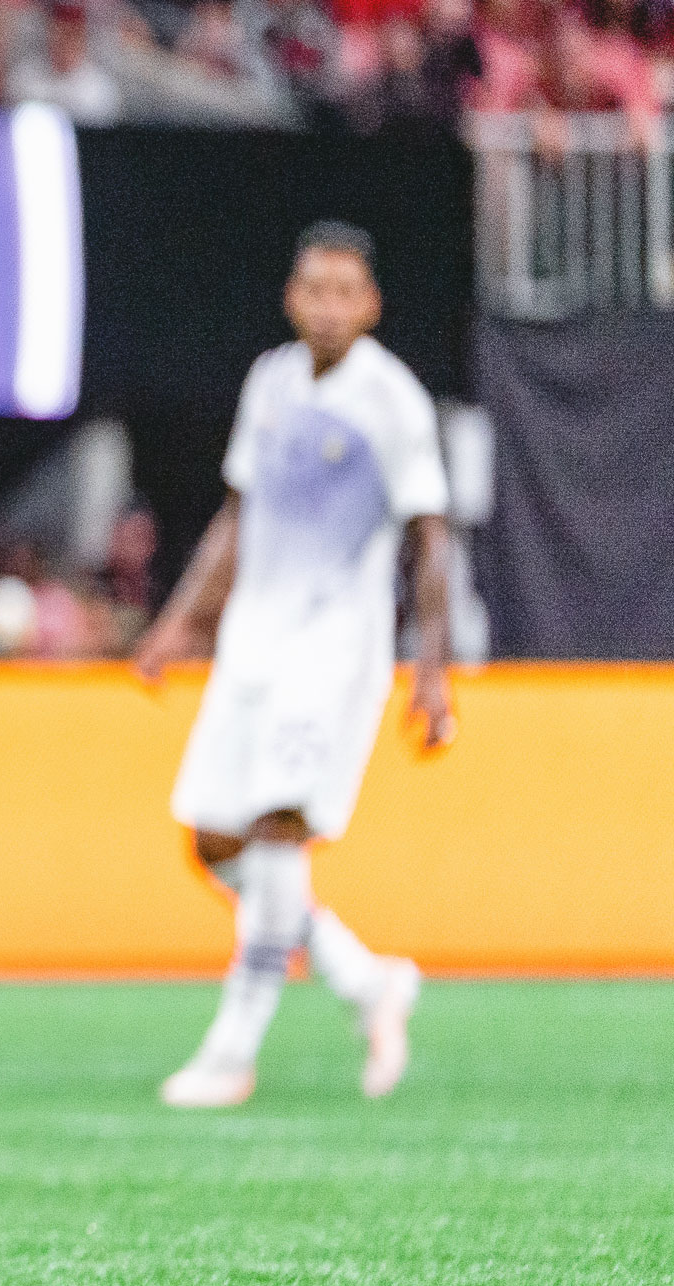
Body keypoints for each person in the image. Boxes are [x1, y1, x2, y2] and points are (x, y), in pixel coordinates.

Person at [133, 221, 453, 1111]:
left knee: (279, 829)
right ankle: (366, 981)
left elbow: (431, 535)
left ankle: (233, 1050)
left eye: (345, 291)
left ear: (372, 303)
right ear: (291, 295)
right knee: (215, 843)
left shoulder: (391, 400)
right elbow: (238, 514)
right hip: (252, 640)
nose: (328, 306)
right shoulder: (270, 380)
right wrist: (176, 623)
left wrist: (434, 670)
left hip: (335, 647)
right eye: (314, 288)